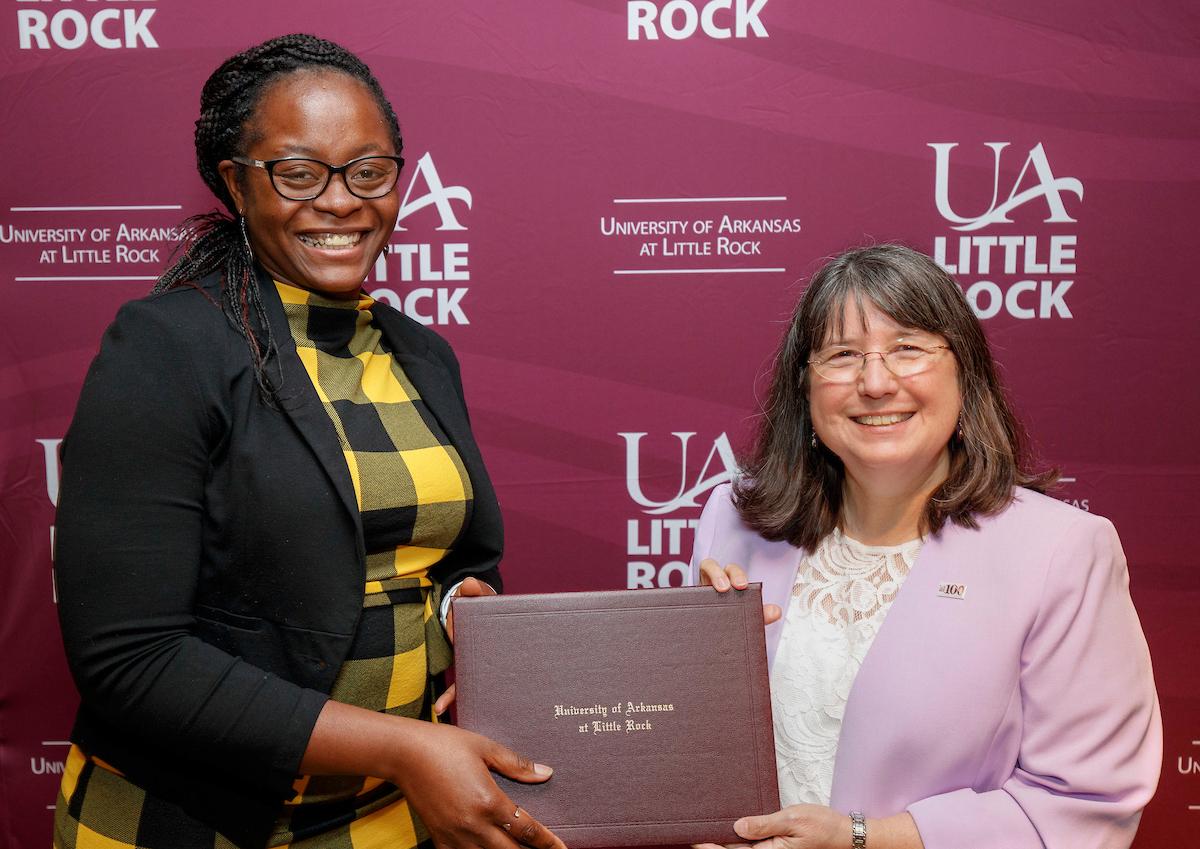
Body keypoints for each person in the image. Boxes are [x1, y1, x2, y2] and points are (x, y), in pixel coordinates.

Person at [53, 34, 564, 849]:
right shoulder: (168, 347)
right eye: (299, 174)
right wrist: (404, 748)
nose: (342, 201)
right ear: (236, 184)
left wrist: (467, 608)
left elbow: (459, 554)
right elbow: (130, 657)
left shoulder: (420, 352)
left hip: (395, 814)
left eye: (369, 171)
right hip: (211, 819)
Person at [691, 245, 1160, 849]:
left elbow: (1087, 802)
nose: (876, 382)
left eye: (908, 349)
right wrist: (687, 669)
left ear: (964, 373)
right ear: (804, 389)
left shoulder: (1062, 550)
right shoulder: (734, 520)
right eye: (841, 356)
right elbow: (678, 748)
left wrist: (865, 839)